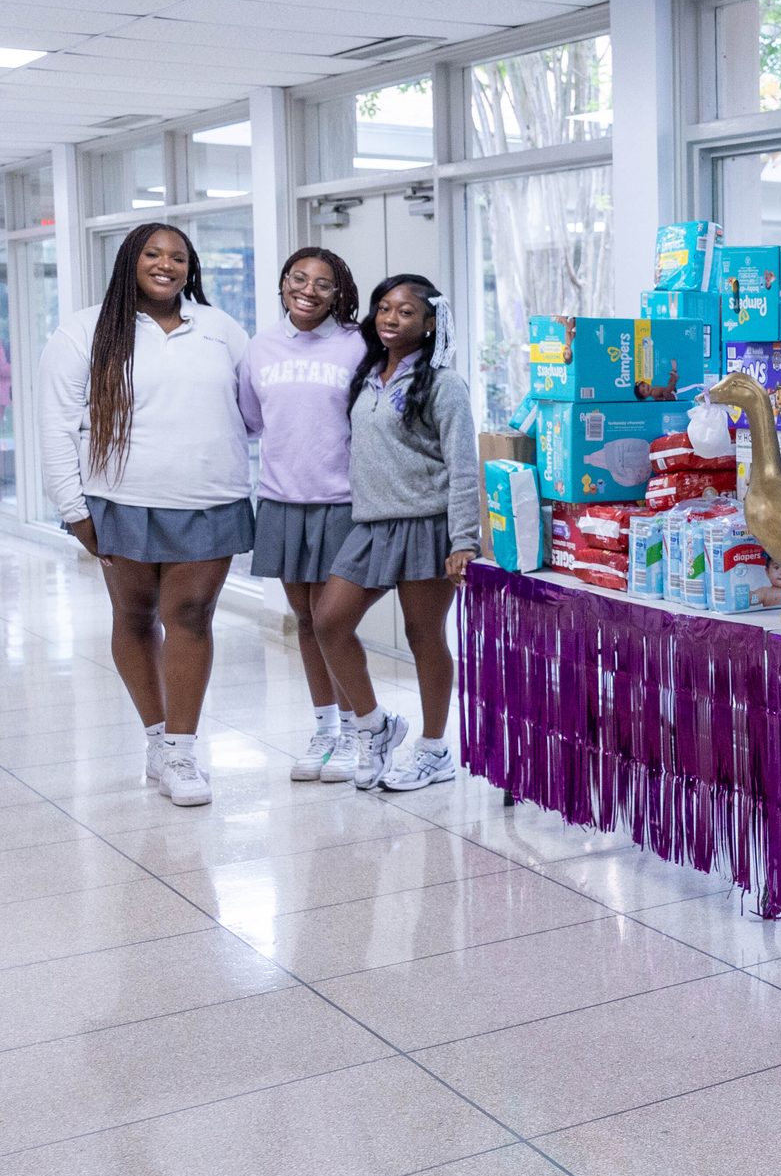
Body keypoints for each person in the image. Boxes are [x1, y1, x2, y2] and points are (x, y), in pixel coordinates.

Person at [36, 223, 253, 807]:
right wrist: (72, 506)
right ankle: (156, 739)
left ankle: (182, 750)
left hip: (210, 497)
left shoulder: (220, 328)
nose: (167, 264)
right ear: (130, 260)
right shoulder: (84, 330)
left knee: (191, 615)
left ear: (192, 267)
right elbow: (57, 427)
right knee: (134, 616)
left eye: (178, 257)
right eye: (154, 254)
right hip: (120, 498)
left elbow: (255, 409)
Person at [312, 275, 480, 792]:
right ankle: (373, 726)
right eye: (384, 308)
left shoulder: (444, 384)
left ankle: (433, 751)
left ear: (430, 323)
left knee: (423, 636)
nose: (390, 318)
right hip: (370, 525)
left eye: (405, 312)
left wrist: (464, 540)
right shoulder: (366, 376)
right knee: (329, 621)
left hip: (426, 524)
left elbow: (463, 465)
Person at [239, 248, 367, 783]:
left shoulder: (359, 344)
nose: (308, 290)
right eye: (298, 278)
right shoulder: (260, 347)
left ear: (341, 293)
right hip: (282, 500)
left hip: (343, 503)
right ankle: (326, 730)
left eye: (323, 283)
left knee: (334, 621)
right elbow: (251, 419)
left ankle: (364, 730)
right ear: (283, 282)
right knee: (307, 622)